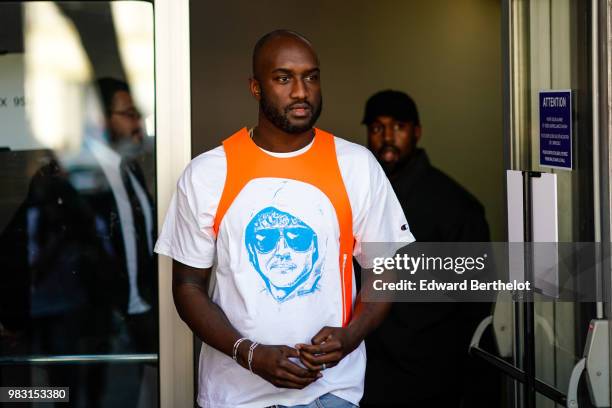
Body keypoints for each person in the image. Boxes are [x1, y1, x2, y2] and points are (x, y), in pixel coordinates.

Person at [155, 30, 414, 408]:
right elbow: (188, 286)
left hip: (332, 394)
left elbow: (387, 269)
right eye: (283, 78)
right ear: (256, 88)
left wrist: (351, 335)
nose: (300, 91)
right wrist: (249, 353)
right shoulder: (208, 173)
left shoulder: (356, 165)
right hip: (235, 397)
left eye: (311, 77)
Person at [360, 90, 498, 406]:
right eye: (378, 128)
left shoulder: (455, 206)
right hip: (364, 374)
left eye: (399, 126)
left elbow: (477, 304)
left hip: (430, 378)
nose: (387, 137)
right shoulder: (361, 196)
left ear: (417, 131)